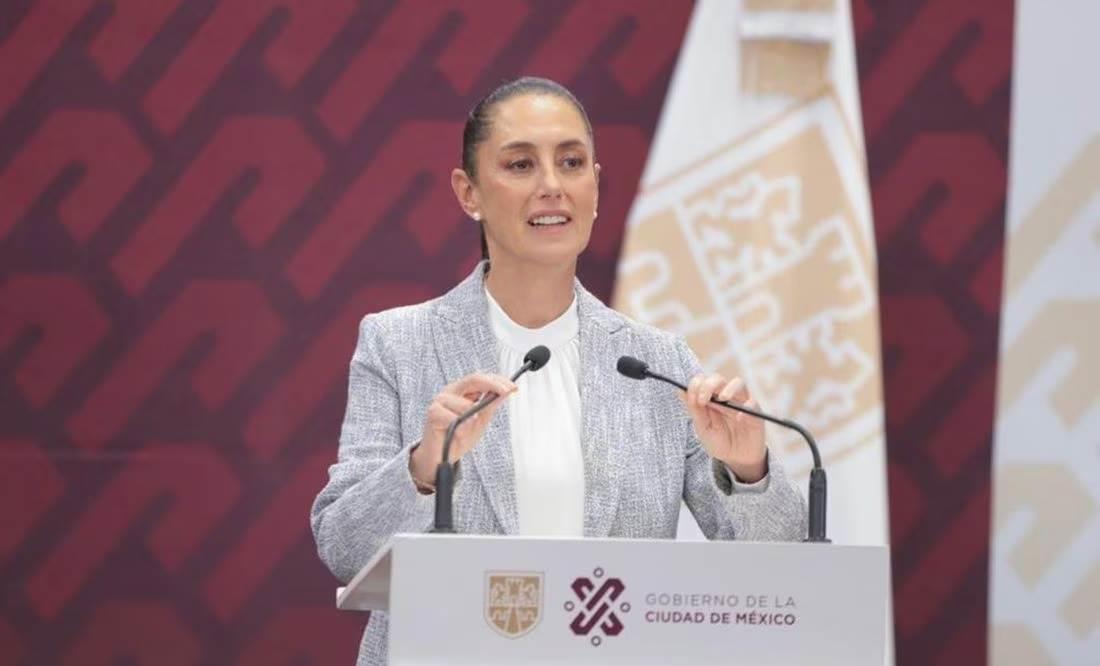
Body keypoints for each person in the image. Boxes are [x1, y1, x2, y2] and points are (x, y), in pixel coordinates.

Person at [310, 76, 807, 665]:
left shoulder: (658, 364)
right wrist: (423, 467)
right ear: (468, 193)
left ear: (594, 187)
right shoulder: (398, 343)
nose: (551, 185)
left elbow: (781, 567)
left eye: (571, 163)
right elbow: (344, 546)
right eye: (520, 165)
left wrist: (748, 470)